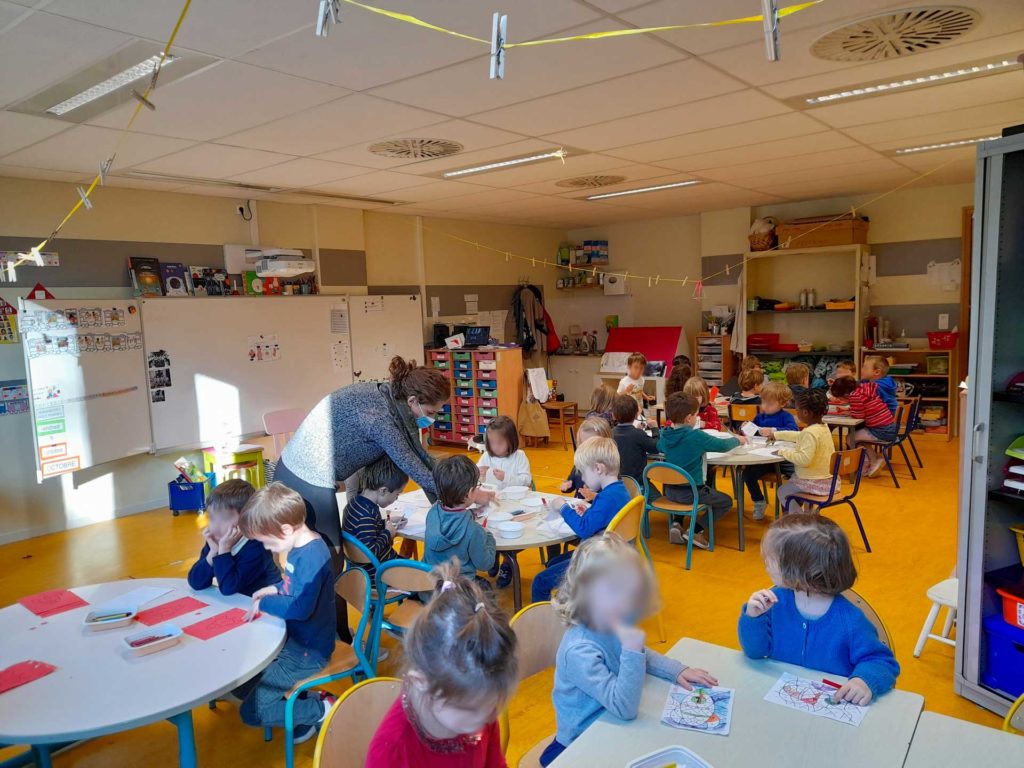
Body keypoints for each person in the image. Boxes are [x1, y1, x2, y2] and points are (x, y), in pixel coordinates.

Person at [273, 355, 495, 550]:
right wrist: (467, 496)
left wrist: (459, 493)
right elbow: (415, 468)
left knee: (324, 555)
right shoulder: (379, 418)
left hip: (308, 472)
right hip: (302, 477)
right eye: (430, 412)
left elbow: (421, 455)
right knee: (327, 554)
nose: (432, 418)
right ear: (413, 401)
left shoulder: (392, 399)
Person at [540, 533, 718, 766]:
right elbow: (624, 706)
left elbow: (637, 654)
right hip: (580, 742)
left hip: (613, 726)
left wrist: (676, 670)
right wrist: (633, 651)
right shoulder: (579, 650)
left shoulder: (608, 619)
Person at [366, 562, 517, 768]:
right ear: (421, 682)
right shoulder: (391, 750)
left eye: (491, 708)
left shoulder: (478, 708)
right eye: (472, 710)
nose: (487, 720)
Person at [738, 514, 899, 704]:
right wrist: (753, 618)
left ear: (798, 569)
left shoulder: (850, 620)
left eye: (771, 559)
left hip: (831, 709)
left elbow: (882, 661)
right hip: (781, 702)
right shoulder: (774, 603)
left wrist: (864, 681)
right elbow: (755, 652)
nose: (765, 564)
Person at [237, 483, 337, 743]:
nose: (269, 549)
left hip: (306, 654)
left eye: (267, 542)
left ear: (285, 529)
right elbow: (294, 586)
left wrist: (264, 604)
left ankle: (321, 710)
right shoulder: (299, 546)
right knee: (245, 681)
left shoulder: (312, 555)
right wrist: (273, 588)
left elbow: (299, 607)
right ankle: (309, 702)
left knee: (250, 712)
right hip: (295, 645)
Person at [531, 438, 631, 603]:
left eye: (584, 472)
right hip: (609, 555)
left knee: (539, 582)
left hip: (596, 561)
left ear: (598, 468)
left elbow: (584, 529)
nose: (583, 478)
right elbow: (603, 518)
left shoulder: (606, 498)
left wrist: (563, 507)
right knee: (553, 562)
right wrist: (590, 511)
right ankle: (571, 601)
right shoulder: (619, 491)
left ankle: (547, 622)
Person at [658, 392, 745, 550]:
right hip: (692, 493)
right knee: (725, 502)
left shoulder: (665, 435)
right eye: (696, 415)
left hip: (670, 491)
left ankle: (676, 524)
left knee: (683, 486)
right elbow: (722, 446)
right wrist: (737, 440)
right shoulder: (695, 436)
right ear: (689, 418)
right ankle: (696, 530)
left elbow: (659, 448)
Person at [187, 479, 280, 597]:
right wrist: (212, 554)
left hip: (268, 603)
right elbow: (196, 583)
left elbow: (228, 588)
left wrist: (224, 551)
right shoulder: (216, 541)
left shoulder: (257, 546)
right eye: (212, 517)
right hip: (239, 602)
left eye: (225, 518)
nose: (215, 526)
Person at [424, 455, 496, 584]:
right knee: (487, 588)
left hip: (429, 590)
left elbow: (451, 519)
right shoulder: (474, 530)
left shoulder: (432, 513)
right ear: (469, 493)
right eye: (477, 486)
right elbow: (485, 564)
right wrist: (489, 537)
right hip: (459, 596)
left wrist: (469, 514)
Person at [760, 390, 835, 513]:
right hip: (828, 482)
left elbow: (804, 460)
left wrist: (782, 452)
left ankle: (801, 519)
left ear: (805, 413)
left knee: (782, 492)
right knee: (791, 487)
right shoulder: (822, 428)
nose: (796, 413)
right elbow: (800, 436)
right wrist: (777, 435)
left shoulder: (810, 432)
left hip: (813, 482)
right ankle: (808, 516)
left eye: (797, 410)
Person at [341, 454, 407, 579]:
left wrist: (386, 522)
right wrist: (388, 533)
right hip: (378, 573)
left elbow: (366, 531)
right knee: (426, 576)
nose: (396, 498)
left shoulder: (356, 504)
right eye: (397, 494)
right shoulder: (365, 515)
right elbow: (370, 552)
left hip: (366, 572)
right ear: (383, 491)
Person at [743, 381, 798, 521]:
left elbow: (794, 432)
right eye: (763, 402)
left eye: (770, 404)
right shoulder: (760, 417)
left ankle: (792, 509)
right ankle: (759, 501)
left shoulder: (786, 417)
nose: (765, 406)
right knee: (747, 474)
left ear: (782, 404)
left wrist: (774, 431)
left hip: (782, 458)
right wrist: (746, 428)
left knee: (798, 475)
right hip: (763, 458)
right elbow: (753, 433)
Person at [834, 374, 897, 476]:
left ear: (846, 395)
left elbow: (859, 415)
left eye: (841, 399)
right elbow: (865, 407)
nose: (841, 401)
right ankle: (870, 463)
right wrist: (850, 410)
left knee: (851, 438)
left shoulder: (854, 396)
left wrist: (851, 412)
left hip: (880, 431)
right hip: (889, 427)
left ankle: (873, 461)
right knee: (858, 440)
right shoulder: (863, 389)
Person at [610, 394, 659, 487]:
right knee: (656, 499)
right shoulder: (638, 434)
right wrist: (655, 429)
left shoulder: (609, 434)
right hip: (638, 484)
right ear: (637, 413)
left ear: (613, 415)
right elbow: (656, 447)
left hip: (616, 484)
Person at [559, 416, 611, 501]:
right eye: (583, 444)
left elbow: (611, 497)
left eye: (591, 443)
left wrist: (594, 495)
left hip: (598, 508)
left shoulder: (610, 465)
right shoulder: (580, 463)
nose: (586, 447)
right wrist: (567, 485)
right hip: (580, 506)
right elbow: (571, 482)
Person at [477, 415, 532, 490]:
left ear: (511, 440)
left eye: (500, 442)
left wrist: (506, 477)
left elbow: (527, 481)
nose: (496, 446)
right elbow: (475, 478)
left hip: (514, 497)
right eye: (492, 442)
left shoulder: (519, 456)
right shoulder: (486, 456)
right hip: (492, 496)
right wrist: (478, 473)